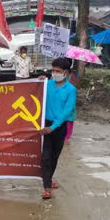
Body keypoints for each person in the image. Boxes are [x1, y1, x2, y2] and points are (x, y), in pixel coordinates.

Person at [40, 57, 77, 200]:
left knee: (54, 157)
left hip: (60, 127)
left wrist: (53, 127)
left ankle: (49, 178)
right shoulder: (46, 84)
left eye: (58, 71)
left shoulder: (71, 90)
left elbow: (67, 111)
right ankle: (47, 187)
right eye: (52, 70)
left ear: (66, 73)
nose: (54, 73)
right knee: (45, 157)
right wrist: (39, 80)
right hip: (46, 124)